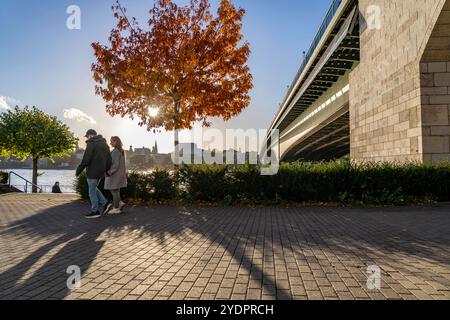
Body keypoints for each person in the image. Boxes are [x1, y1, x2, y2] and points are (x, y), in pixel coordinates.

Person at [75, 129, 112, 219]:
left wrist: (79, 170)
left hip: (92, 171)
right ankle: (105, 203)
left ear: (91, 135)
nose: (87, 138)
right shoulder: (105, 144)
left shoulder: (91, 143)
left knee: (92, 191)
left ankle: (95, 211)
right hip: (101, 171)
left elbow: (86, 158)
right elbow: (109, 159)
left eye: (87, 136)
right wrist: (106, 170)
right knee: (93, 188)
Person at [104, 136, 127, 215]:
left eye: (111, 141)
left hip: (114, 174)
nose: (110, 143)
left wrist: (109, 172)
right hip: (119, 174)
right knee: (115, 190)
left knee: (114, 190)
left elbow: (115, 165)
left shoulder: (116, 151)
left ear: (116, 141)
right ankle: (119, 203)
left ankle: (116, 208)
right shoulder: (121, 151)